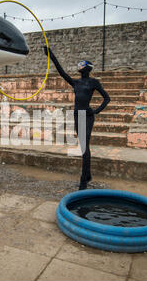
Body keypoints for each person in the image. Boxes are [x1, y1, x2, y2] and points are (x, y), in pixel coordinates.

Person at [43, 47, 110, 190]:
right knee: (83, 146)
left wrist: (96, 111)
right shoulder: (76, 82)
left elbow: (106, 98)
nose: (79, 67)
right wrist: (51, 55)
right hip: (77, 115)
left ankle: (83, 180)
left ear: (88, 68)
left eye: (82, 65)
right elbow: (61, 72)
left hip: (87, 115)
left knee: (85, 147)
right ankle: (88, 174)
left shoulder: (93, 82)